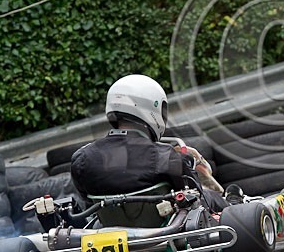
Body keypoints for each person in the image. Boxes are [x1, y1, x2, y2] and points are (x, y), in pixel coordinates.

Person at [70, 74, 242, 213]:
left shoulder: (81, 159)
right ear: (150, 107)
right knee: (209, 196)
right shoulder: (167, 157)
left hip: (109, 232)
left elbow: (89, 205)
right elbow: (197, 199)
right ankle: (234, 205)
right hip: (166, 233)